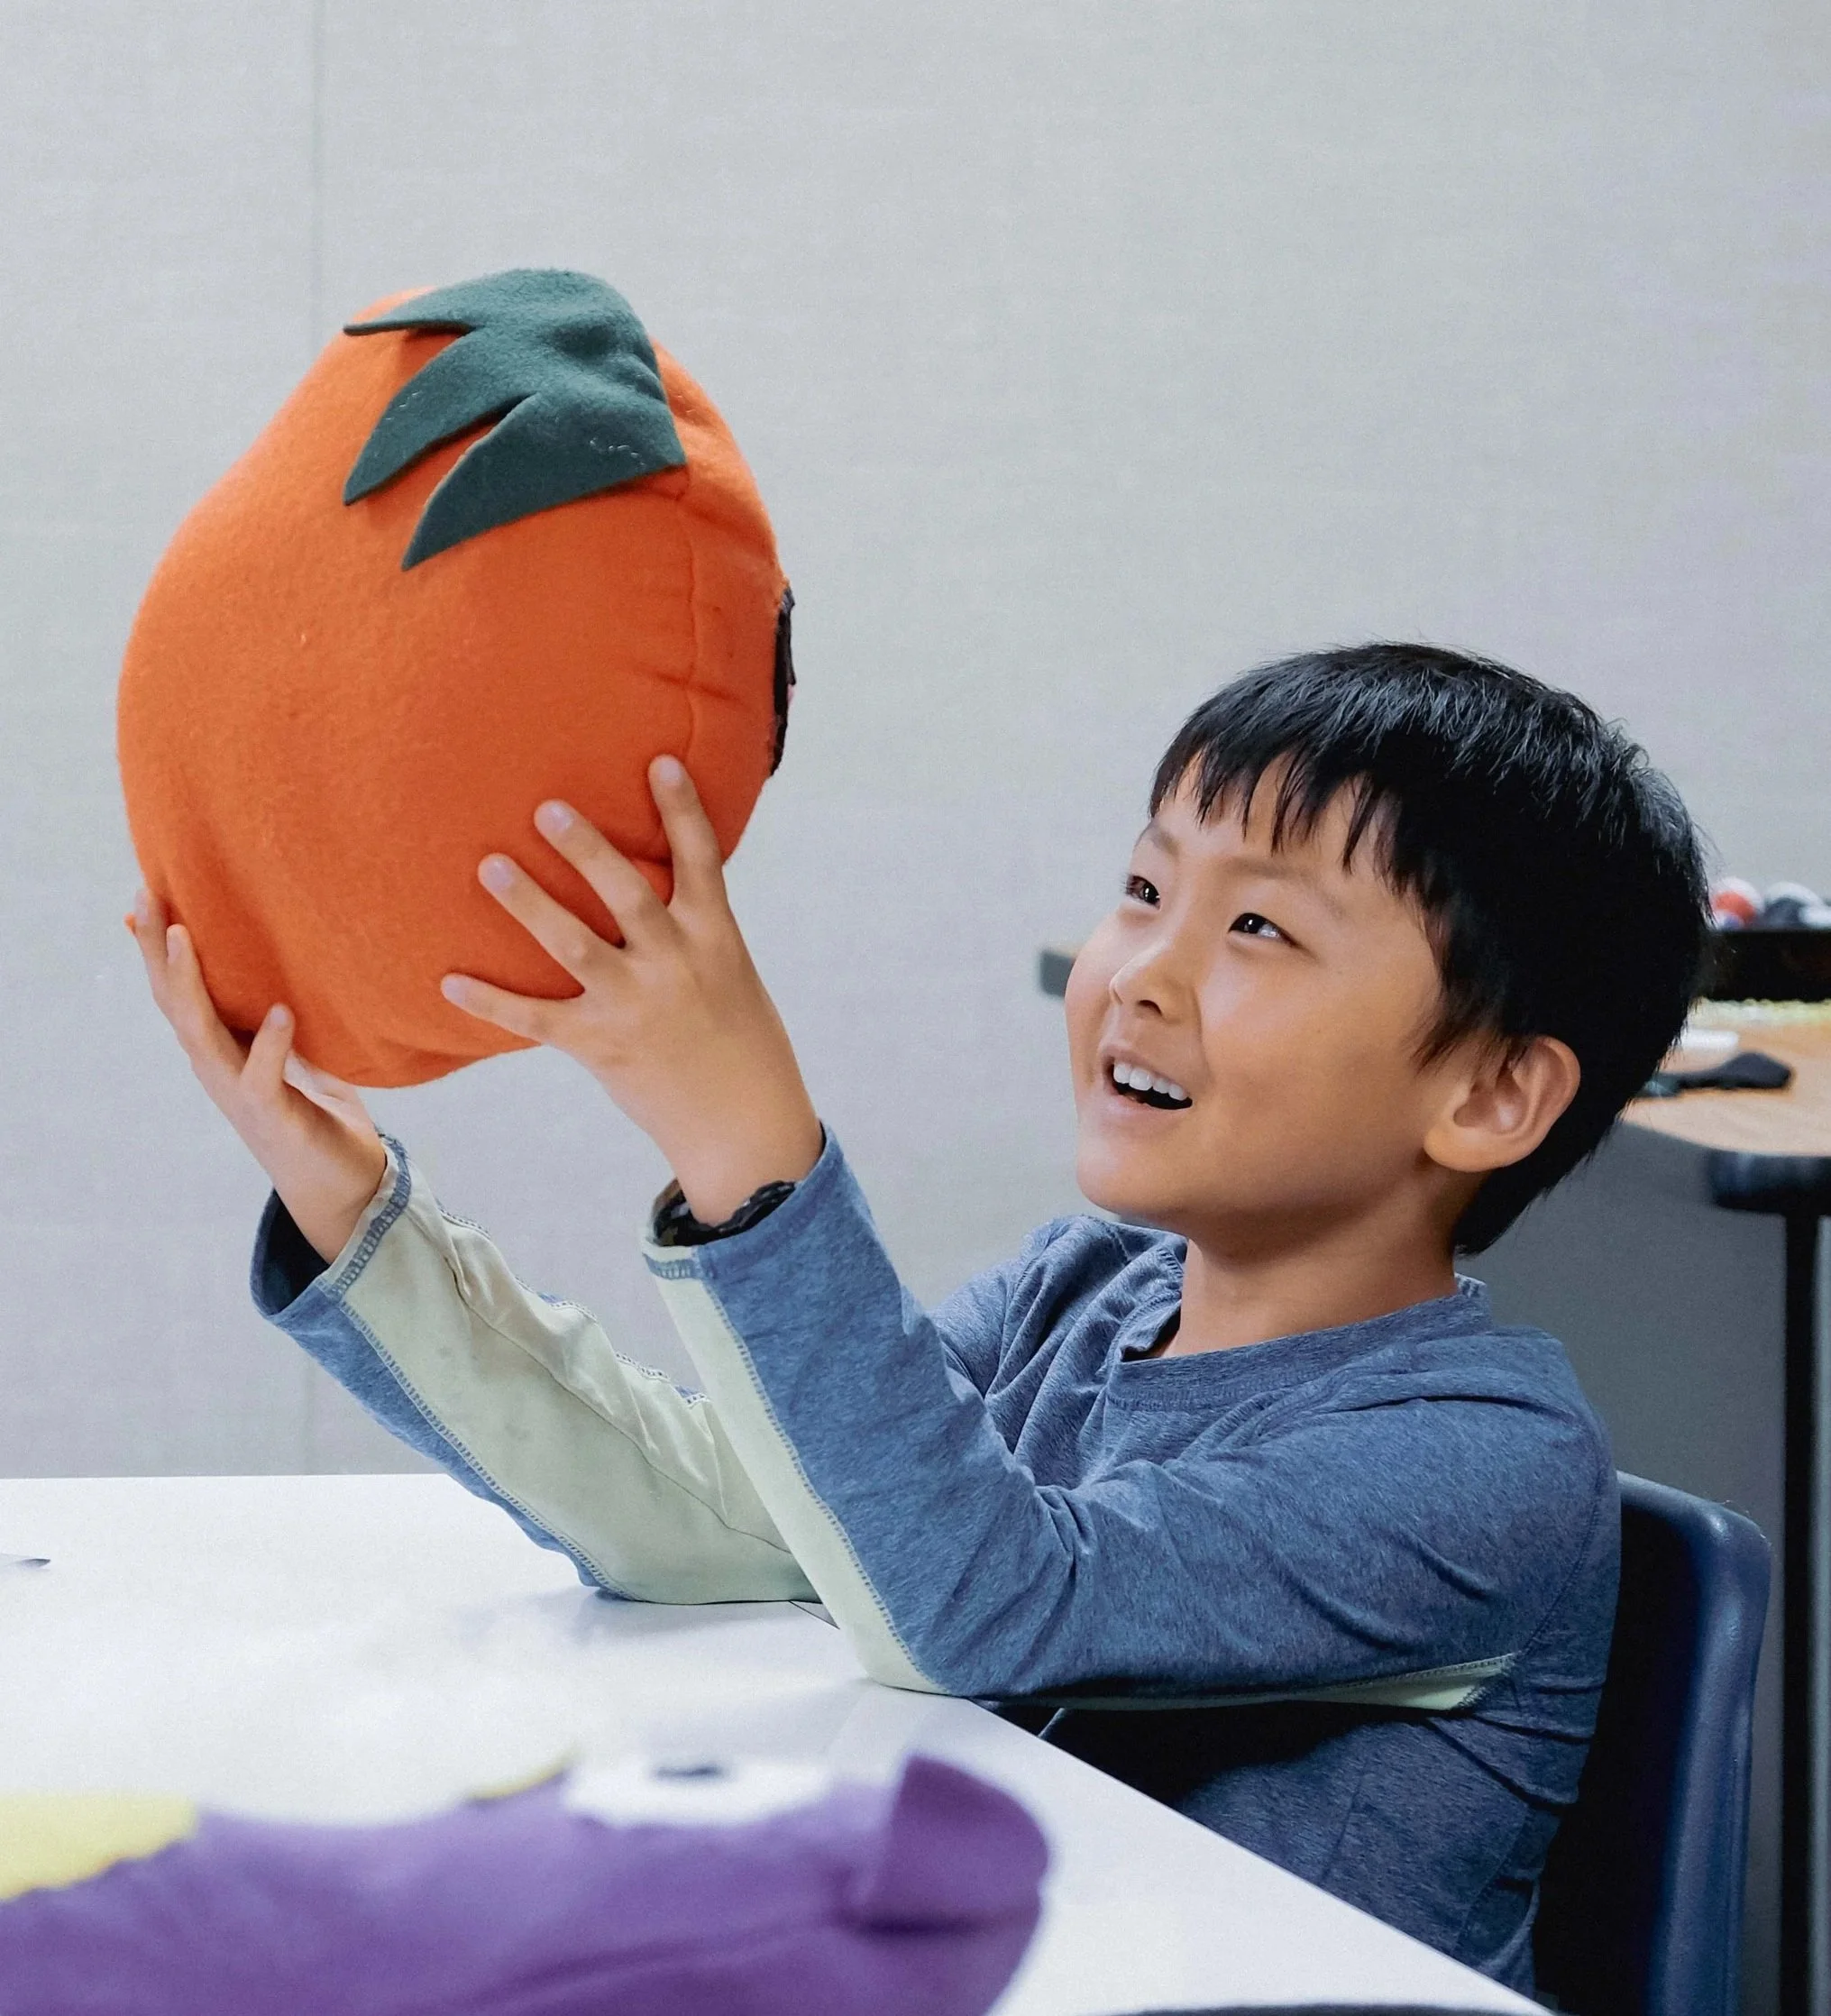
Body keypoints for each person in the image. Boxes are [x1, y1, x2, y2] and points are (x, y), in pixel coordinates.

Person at [130, 643, 1709, 1990]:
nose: (1140, 973)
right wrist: (355, 1210)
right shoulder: (1082, 1290)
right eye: (1144, 887)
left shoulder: (1481, 1461)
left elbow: (987, 1601)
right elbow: (745, 1526)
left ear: (1493, 1093)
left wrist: (747, 1145)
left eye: (1257, 930)